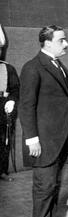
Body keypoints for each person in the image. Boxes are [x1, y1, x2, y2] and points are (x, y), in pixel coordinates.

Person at [19, 25, 68, 217]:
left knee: (54, 184)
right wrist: (31, 139)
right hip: (44, 140)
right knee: (45, 186)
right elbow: (26, 106)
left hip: (59, 139)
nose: (66, 43)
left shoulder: (56, 64)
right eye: (62, 40)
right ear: (48, 42)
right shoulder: (32, 67)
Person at [0, 32, 19, 181]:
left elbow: (15, 89)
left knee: (4, 140)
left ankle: (2, 171)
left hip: (3, 108)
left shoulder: (8, 69)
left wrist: (11, 100)